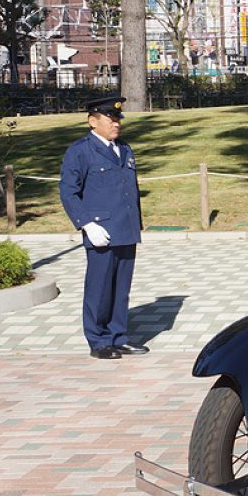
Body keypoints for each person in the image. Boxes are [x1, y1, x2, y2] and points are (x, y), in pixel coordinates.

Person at [59, 95, 148, 360]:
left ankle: (118, 337)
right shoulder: (80, 151)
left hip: (125, 228)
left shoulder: (124, 149)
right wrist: (86, 224)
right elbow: (68, 191)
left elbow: (129, 189)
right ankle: (98, 341)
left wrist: (136, 223)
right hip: (101, 231)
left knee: (121, 289)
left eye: (118, 118)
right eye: (110, 118)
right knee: (99, 290)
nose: (116, 123)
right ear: (92, 121)